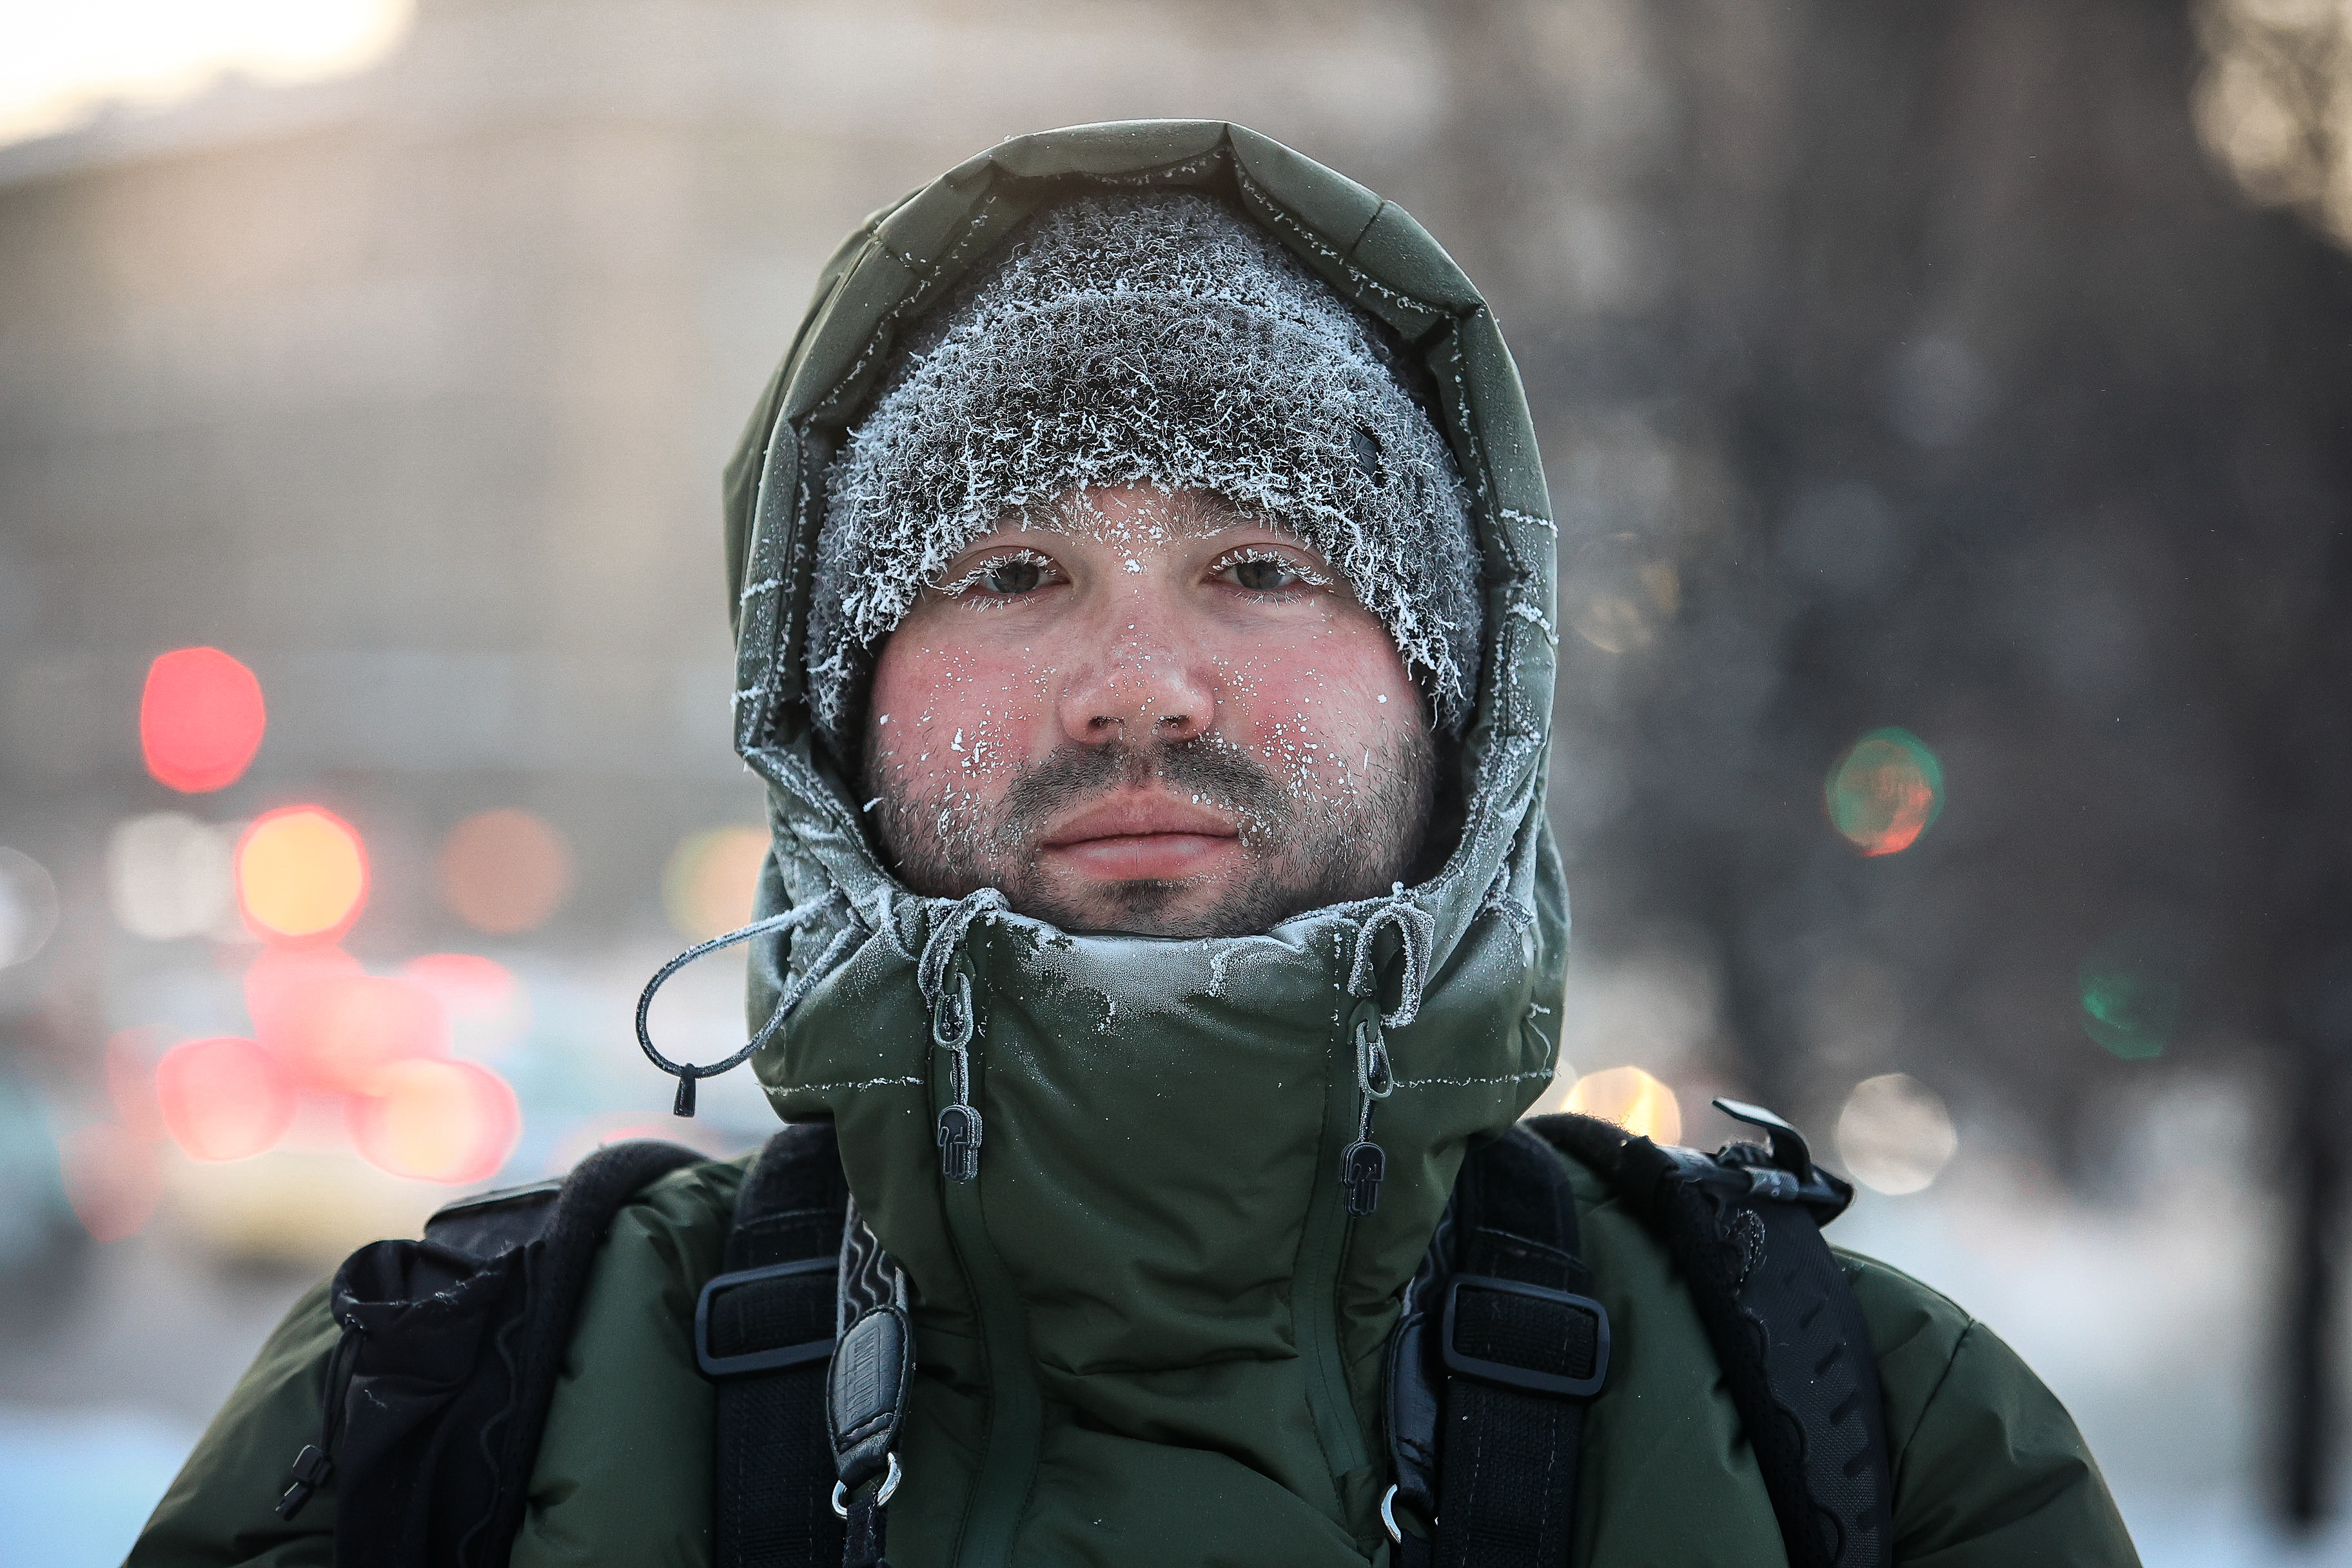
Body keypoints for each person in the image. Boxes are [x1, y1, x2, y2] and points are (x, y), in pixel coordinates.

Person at [130, 121, 2139, 1567]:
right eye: (1013, 571)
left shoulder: (1873, 1448)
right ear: (833, 716)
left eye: (1260, 566)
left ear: (1455, 703)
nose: (1141, 690)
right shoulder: (435, 1429)